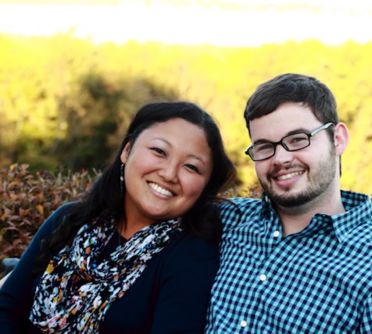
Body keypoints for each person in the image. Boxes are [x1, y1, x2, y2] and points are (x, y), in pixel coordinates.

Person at [206, 73, 372, 333]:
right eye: (264, 147)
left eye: (297, 140)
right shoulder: (229, 220)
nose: (280, 158)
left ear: (337, 139)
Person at [0, 102, 235, 334]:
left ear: (205, 185)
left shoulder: (190, 257)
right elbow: (6, 306)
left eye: (191, 167)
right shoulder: (69, 219)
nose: (169, 174)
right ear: (126, 150)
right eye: (159, 152)